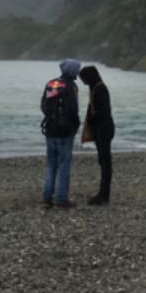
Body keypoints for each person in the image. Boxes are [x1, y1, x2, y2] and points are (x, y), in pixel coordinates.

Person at [40, 58, 81, 208]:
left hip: (50, 128)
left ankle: (47, 197)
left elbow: (43, 106)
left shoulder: (51, 84)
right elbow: (73, 110)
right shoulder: (71, 87)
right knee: (64, 164)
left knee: (51, 164)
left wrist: (51, 118)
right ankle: (61, 198)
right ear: (73, 71)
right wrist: (76, 125)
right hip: (65, 131)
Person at [79, 65, 114, 206]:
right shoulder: (95, 88)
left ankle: (104, 194)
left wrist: (92, 119)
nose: (83, 82)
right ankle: (103, 192)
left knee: (105, 162)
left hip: (104, 128)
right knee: (103, 161)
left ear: (90, 77)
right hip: (102, 128)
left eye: (84, 79)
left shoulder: (100, 89)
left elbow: (103, 111)